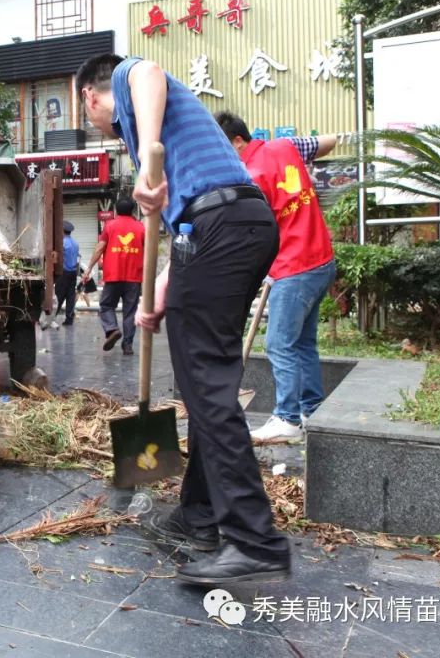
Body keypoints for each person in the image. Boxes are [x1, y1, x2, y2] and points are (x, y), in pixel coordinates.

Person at [77, 53, 288, 585]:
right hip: (235, 225)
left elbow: (146, 71)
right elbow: (188, 225)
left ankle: (255, 542)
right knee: (206, 385)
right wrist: (158, 295)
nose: (100, 124)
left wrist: (149, 159)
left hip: (222, 226)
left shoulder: (128, 83)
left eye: (91, 114)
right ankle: (200, 514)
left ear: (89, 97)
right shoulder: (187, 149)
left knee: (207, 388)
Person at [216, 113, 337, 442]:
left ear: (238, 141)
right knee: (303, 343)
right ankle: (311, 410)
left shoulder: (248, 177)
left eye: (223, 147)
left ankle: (287, 418)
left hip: (294, 266)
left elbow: (253, 237)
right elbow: (329, 141)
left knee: (279, 343)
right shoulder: (286, 146)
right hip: (321, 260)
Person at [81, 198, 144, 356]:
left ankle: (112, 329)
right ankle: (127, 346)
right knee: (130, 312)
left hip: (113, 276)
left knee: (106, 305)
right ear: (133, 210)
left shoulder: (110, 226)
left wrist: (89, 268)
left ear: (115, 210)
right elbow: (148, 252)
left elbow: (100, 248)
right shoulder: (141, 227)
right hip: (134, 277)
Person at [54, 221, 80, 325]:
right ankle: (69, 319)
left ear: (62, 231)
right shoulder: (75, 243)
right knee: (70, 296)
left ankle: (52, 318)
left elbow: (56, 258)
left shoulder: (62, 243)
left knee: (59, 295)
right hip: (73, 273)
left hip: (63, 273)